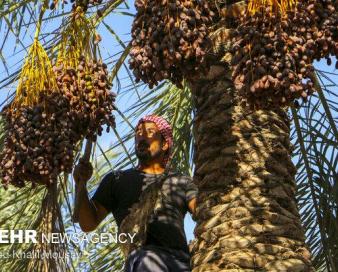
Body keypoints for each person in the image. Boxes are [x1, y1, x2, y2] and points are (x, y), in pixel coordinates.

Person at [73, 114, 198, 272]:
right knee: (147, 259)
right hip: (142, 262)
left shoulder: (181, 181)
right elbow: (88, 223)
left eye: (150, 132)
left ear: (165, 144)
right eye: (138, 132)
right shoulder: (116, 180)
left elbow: (203, 212)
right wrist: (80, 184)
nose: (142, 136)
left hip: (180, 263)